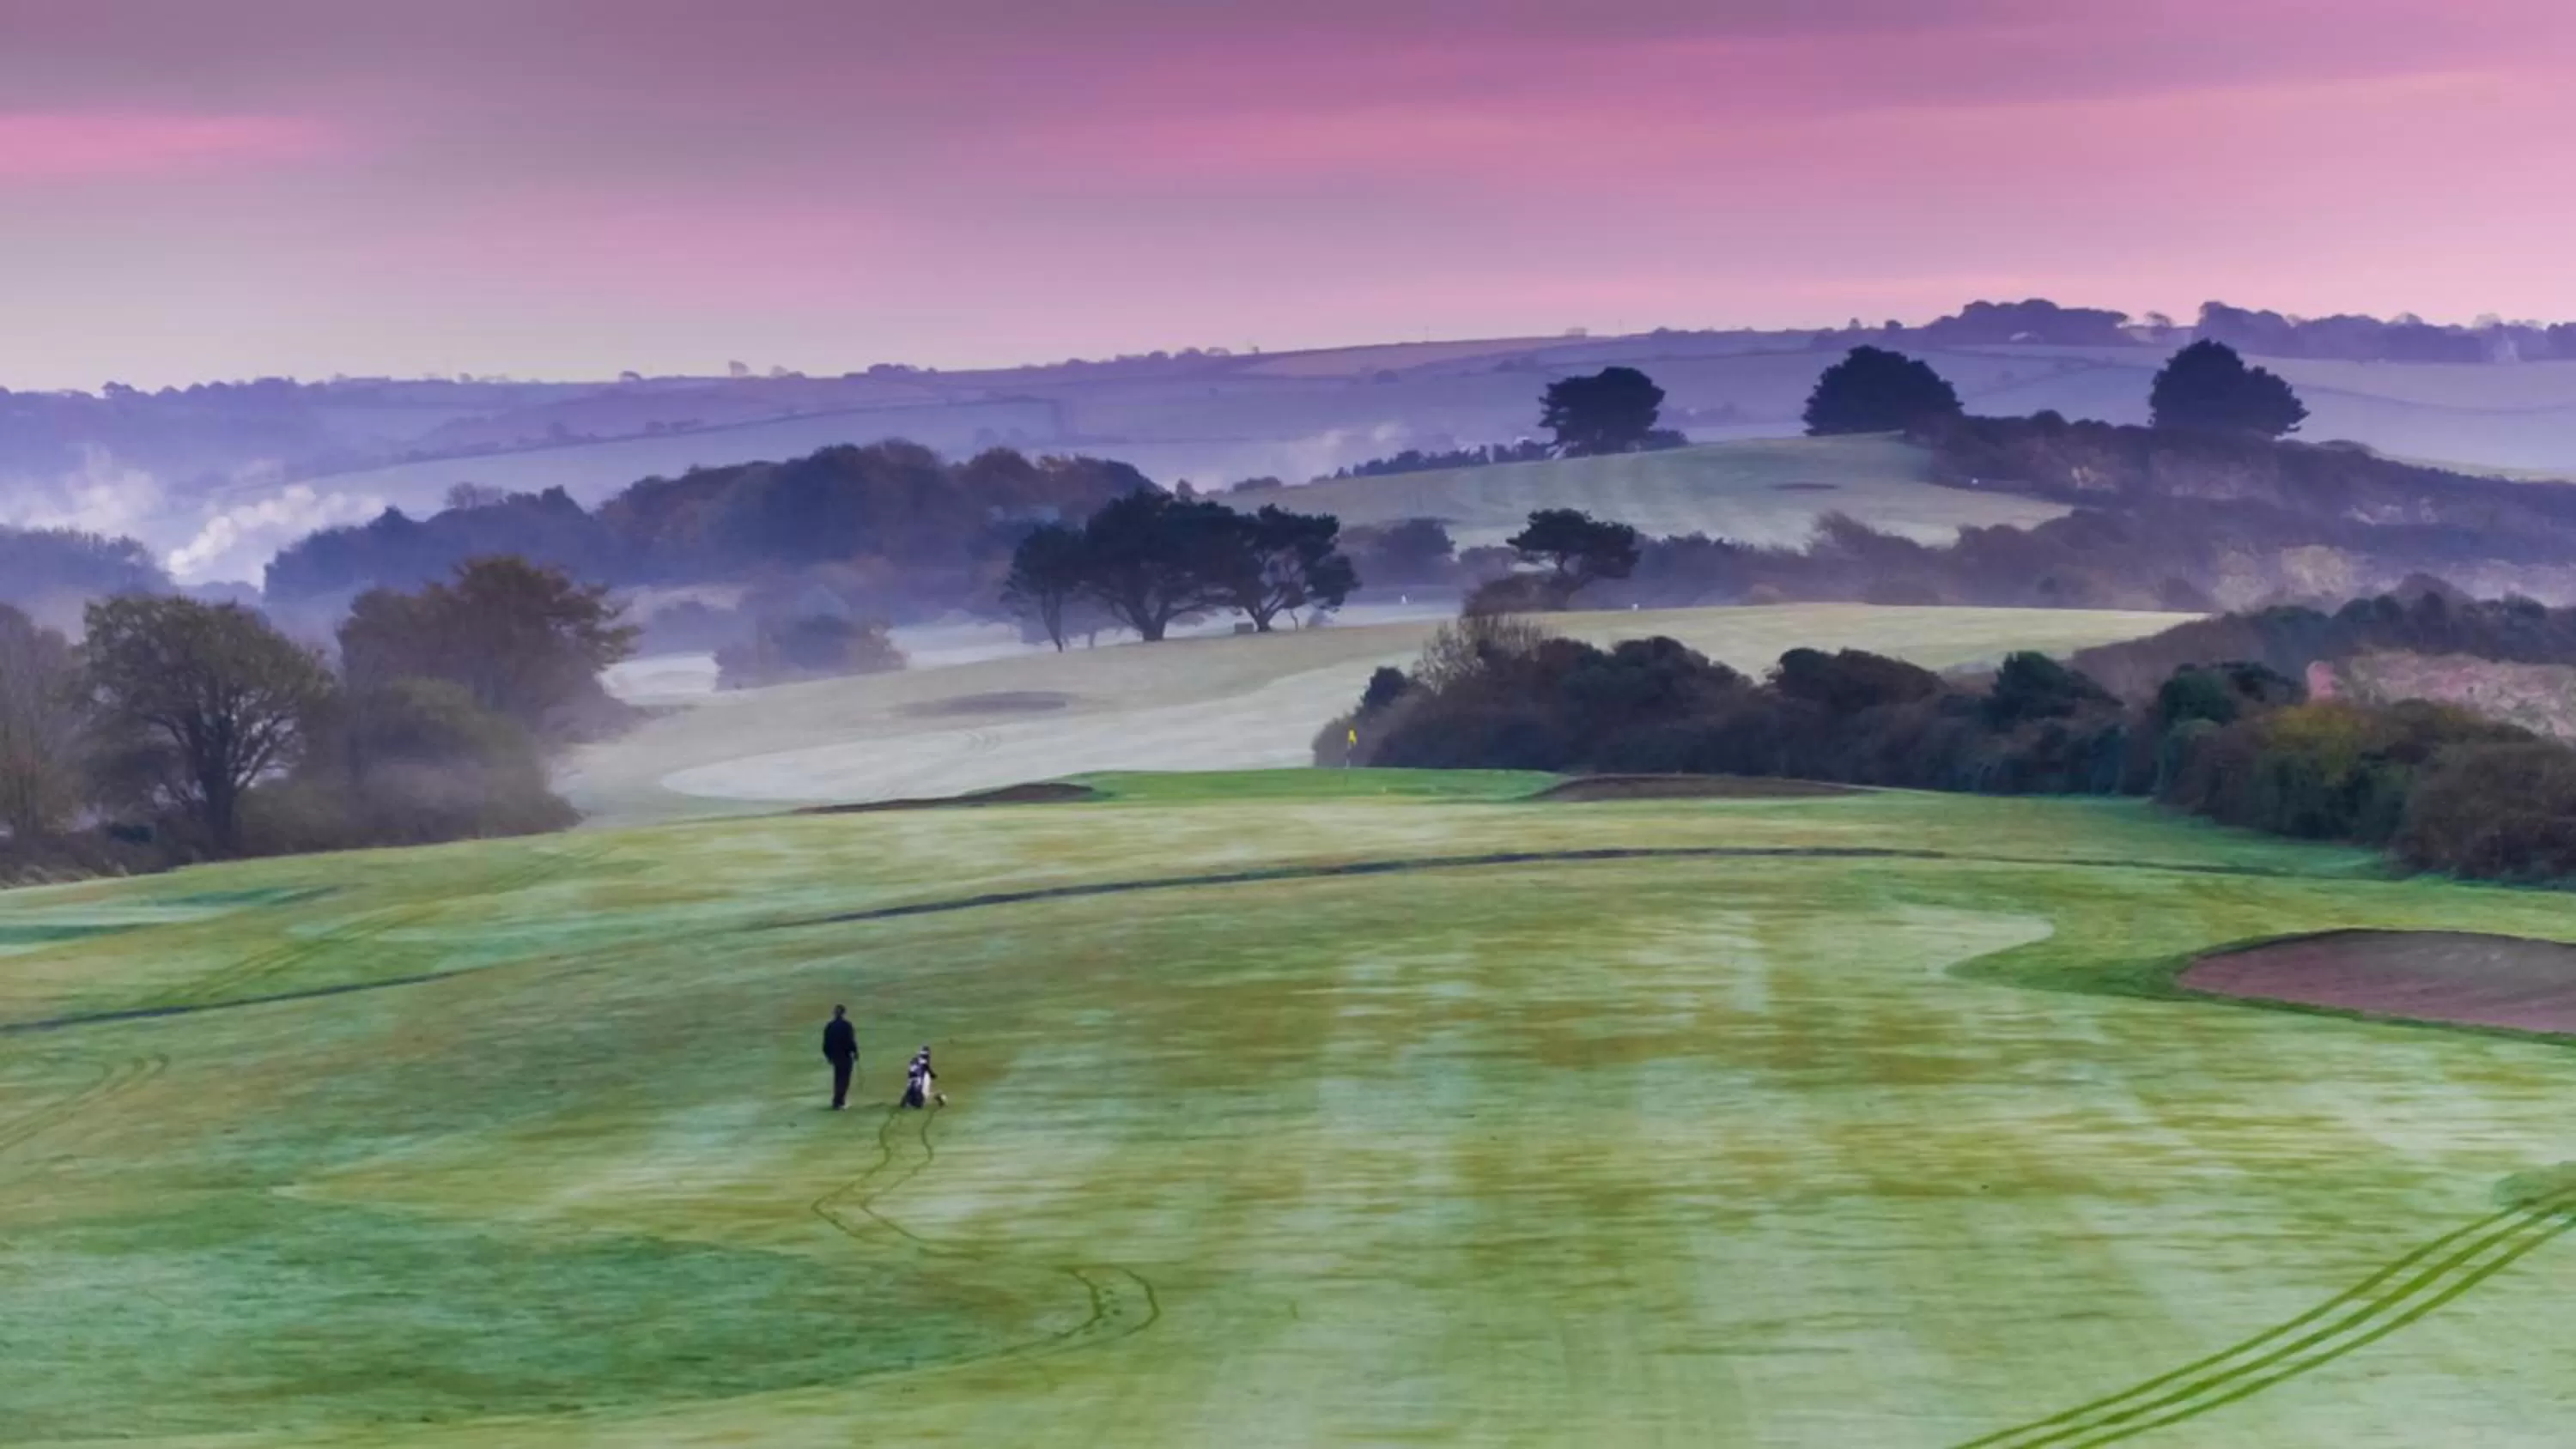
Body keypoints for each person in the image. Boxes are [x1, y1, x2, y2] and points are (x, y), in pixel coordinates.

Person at [822, 1005, 859, 1109]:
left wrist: (828, 1056)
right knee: (844, 1078)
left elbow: (826, 1043)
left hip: (835, 1055)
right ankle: (840, 1101)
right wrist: (855, 1052)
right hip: (845, 1055)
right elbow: (850, 1040)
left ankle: (837, 1100)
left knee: (838, 1077)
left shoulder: (829, 1026)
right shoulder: (847, 1025)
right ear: (843, 1013)